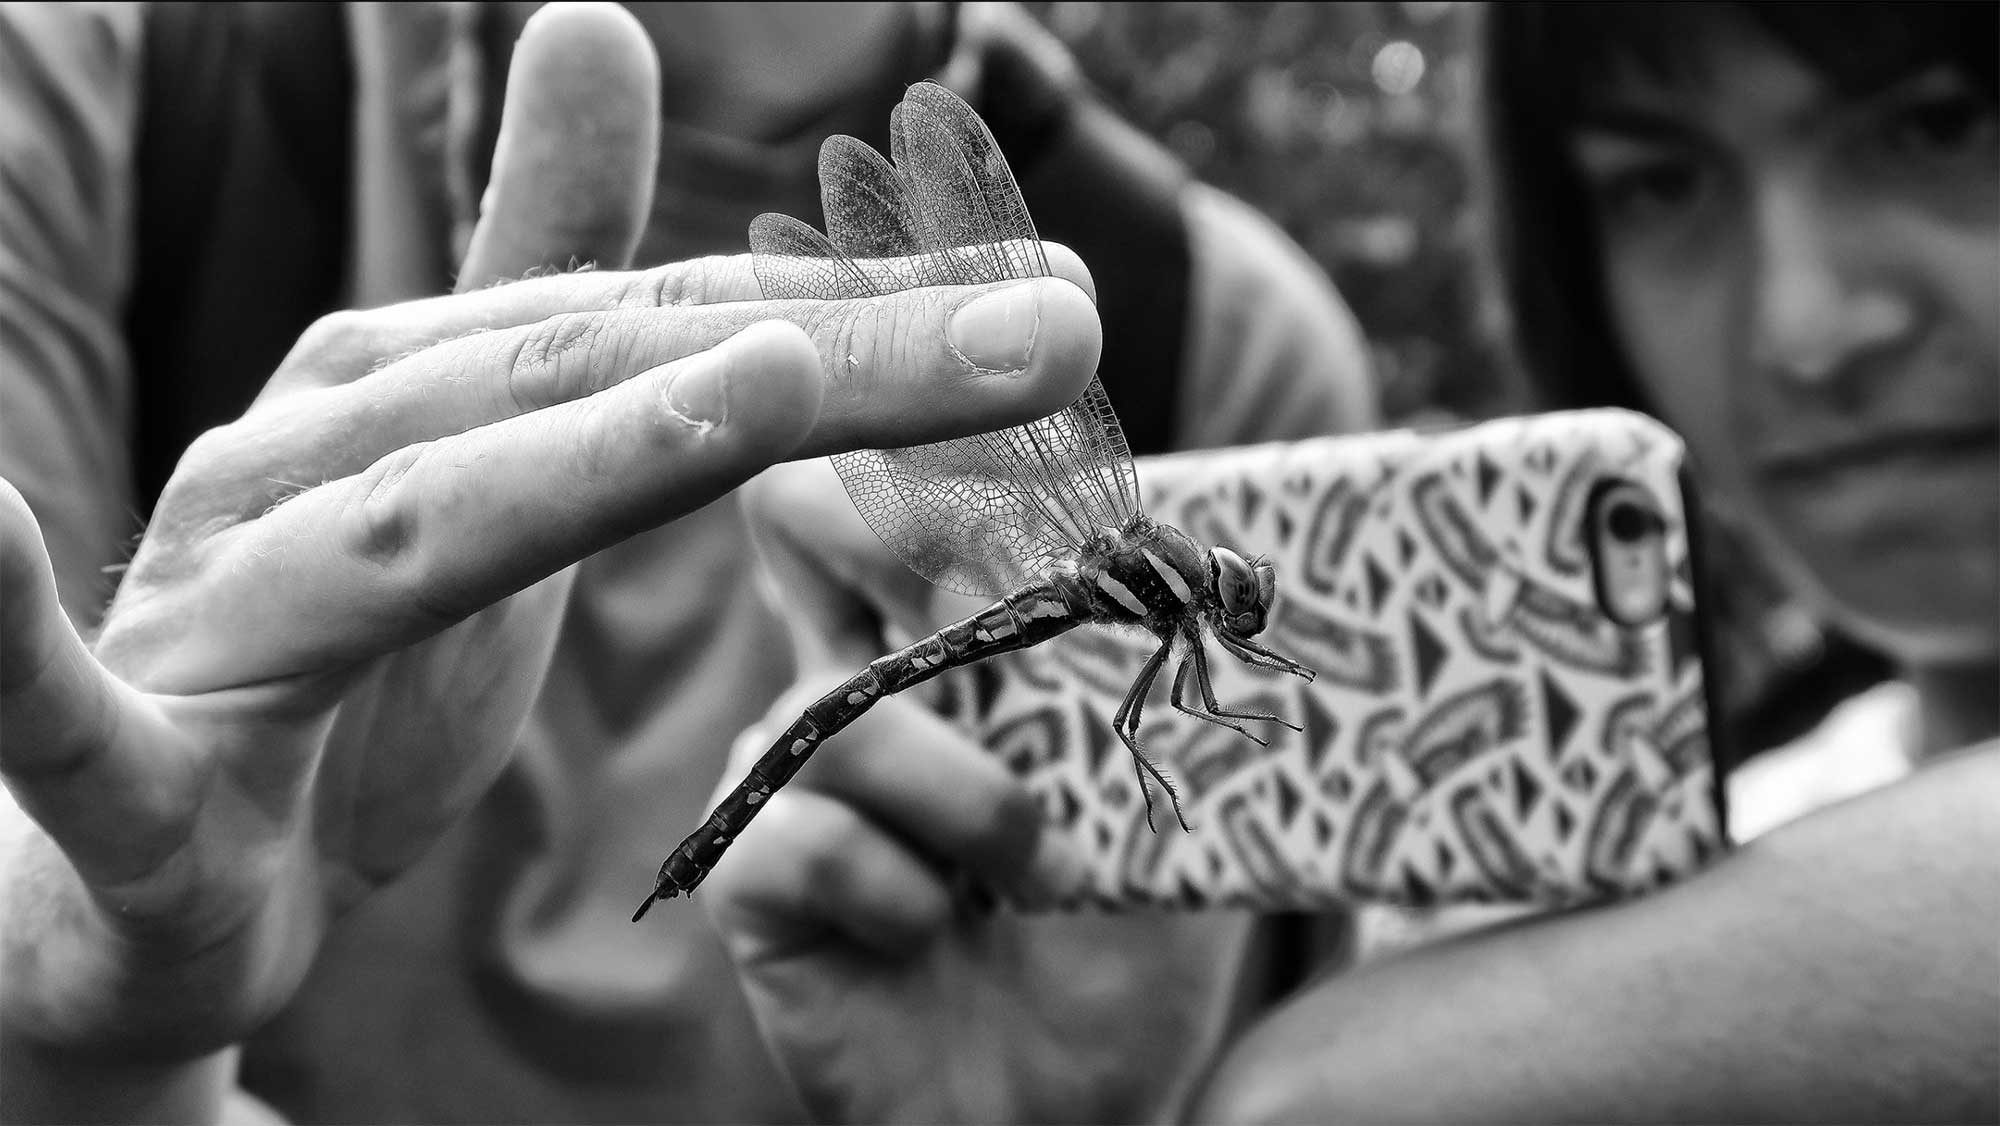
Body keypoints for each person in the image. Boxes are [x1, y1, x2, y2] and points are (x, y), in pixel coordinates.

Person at [0, 3, 1377, 1122]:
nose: (1238, 606)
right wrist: (83, 1048)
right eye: (1236, 604)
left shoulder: (1221, 335)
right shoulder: (107, 109)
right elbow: (1189, 703)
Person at [699, 2, 2000, 1121]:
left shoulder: (1503, 996)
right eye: (1658, 178)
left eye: (1940, 124)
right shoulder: (1675, 853)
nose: (1810, 325)